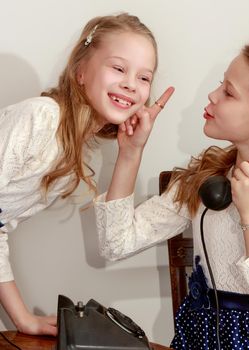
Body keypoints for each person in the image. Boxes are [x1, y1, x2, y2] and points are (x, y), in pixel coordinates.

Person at [94, 43, 249, 349]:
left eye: (228, 92)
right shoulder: (209, 180)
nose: (213, 96)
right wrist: (130, 154)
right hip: (205, 336)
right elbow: (115, 243)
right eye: (220, 85)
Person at [0, 13, 173, 336]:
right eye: (119, 68)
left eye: (144, 77)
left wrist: (23, 318)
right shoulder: (41, 118)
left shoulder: (76, 153)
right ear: (80, 71)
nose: (130, 84)